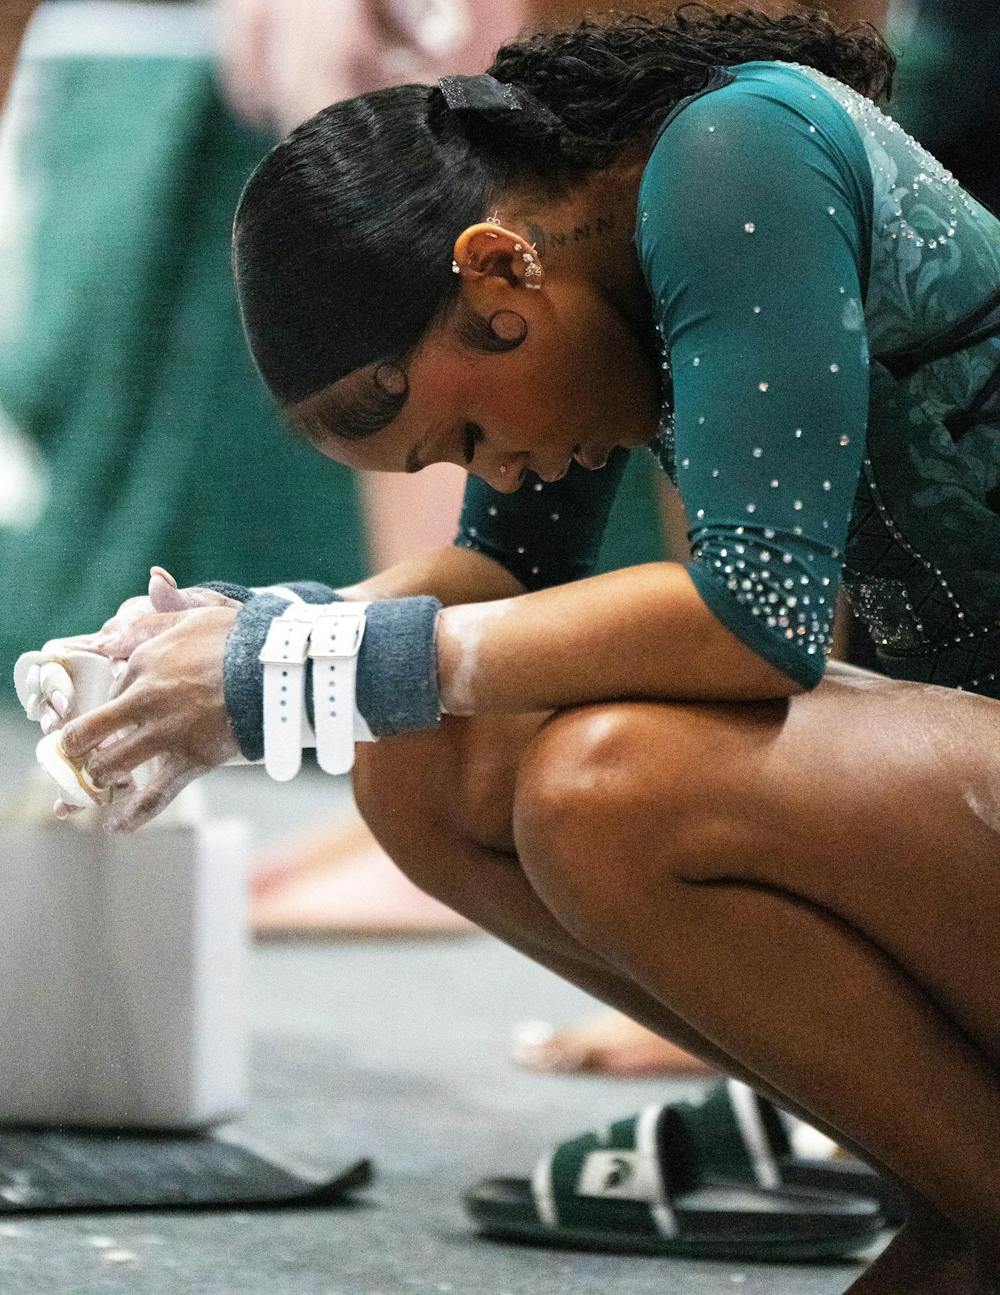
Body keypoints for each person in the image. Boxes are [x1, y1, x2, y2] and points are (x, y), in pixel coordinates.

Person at [31, 6, 1000, 1290]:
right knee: (425, 762)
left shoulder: (735, 155)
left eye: (468, 442)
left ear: (495, 276)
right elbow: (501, 576)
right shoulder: (578, 253)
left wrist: (291, 673)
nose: (499, 473)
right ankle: (957, 1195)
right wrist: (231, 643)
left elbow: (754, 617)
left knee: (612, 782)